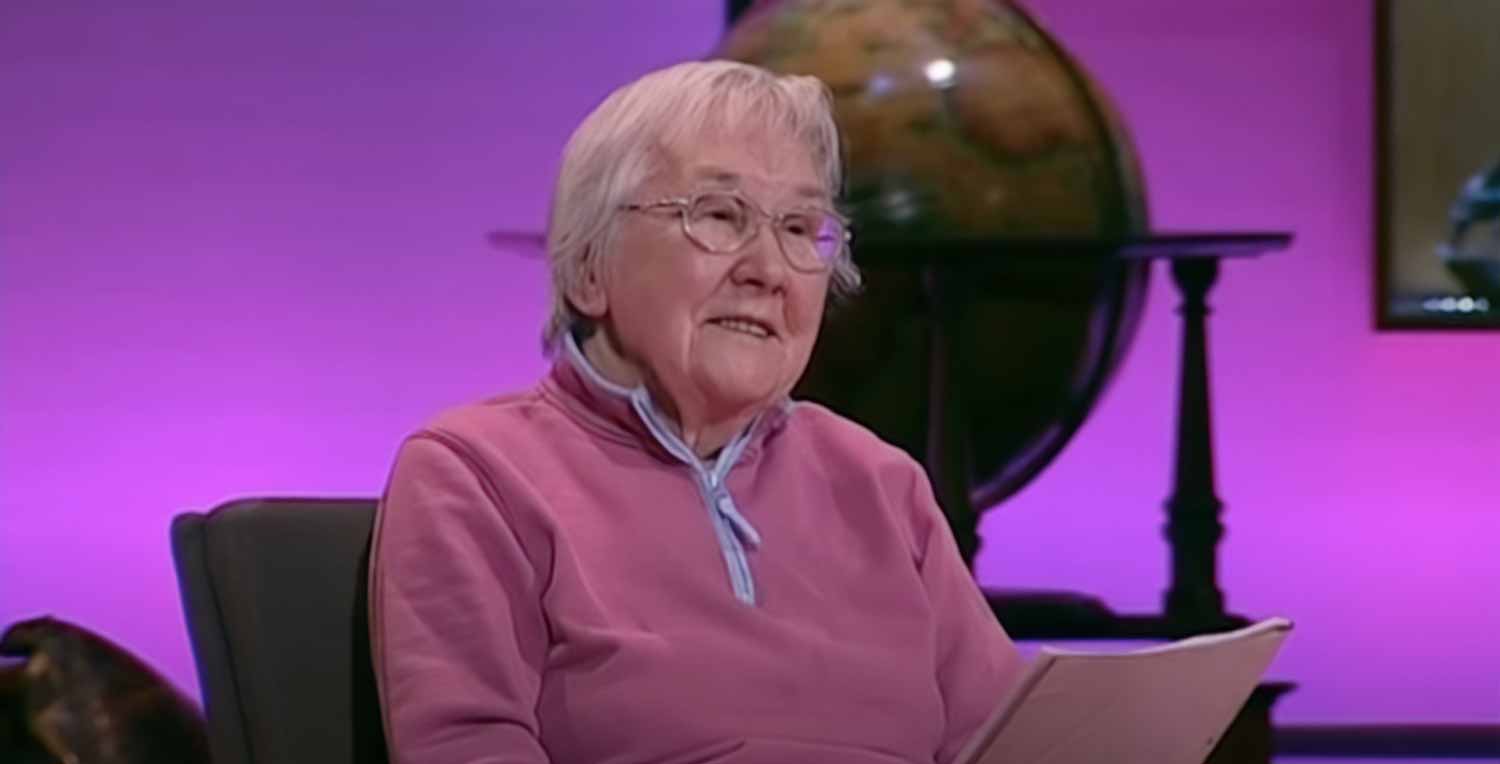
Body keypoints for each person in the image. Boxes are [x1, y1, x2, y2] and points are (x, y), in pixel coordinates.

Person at [368, 60, 1022, 764]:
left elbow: (1018, 746)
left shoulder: (882, 485)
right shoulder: (476, 474)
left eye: (801, 229)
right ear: (590, 267)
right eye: (719, 215)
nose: (769, 270)